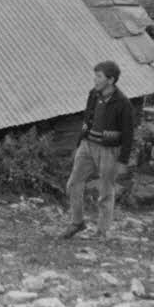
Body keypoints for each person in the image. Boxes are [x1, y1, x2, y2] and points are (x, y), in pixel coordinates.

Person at [61, 60, 135, 240]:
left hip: (109, 151)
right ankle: (77, 222)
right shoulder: (93, 94)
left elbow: (128, 134)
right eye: (95, 75)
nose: (95, 79)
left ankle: (102, 231)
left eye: (99, 76)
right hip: (87, 145)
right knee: (73, 184)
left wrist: (123, 161)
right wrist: (79, 143)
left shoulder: (123, 103)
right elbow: (87, 119)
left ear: (110, 80)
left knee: (106, 192)